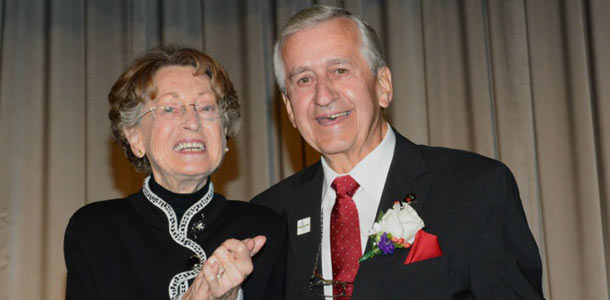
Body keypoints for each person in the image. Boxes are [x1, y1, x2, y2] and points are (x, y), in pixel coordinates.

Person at [252, 5, 544, 300]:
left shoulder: (474, 188)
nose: (323, 96)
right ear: (289, 109)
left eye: (339, 70)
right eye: (304, 79)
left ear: (383, 86)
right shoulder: (268, 218)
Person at [64, 46, 285, 300]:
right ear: (135, 137)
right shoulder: (95, 230)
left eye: (206, 108)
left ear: (224, 133)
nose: (192, 122)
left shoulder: (266, 229)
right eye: (169, 108)